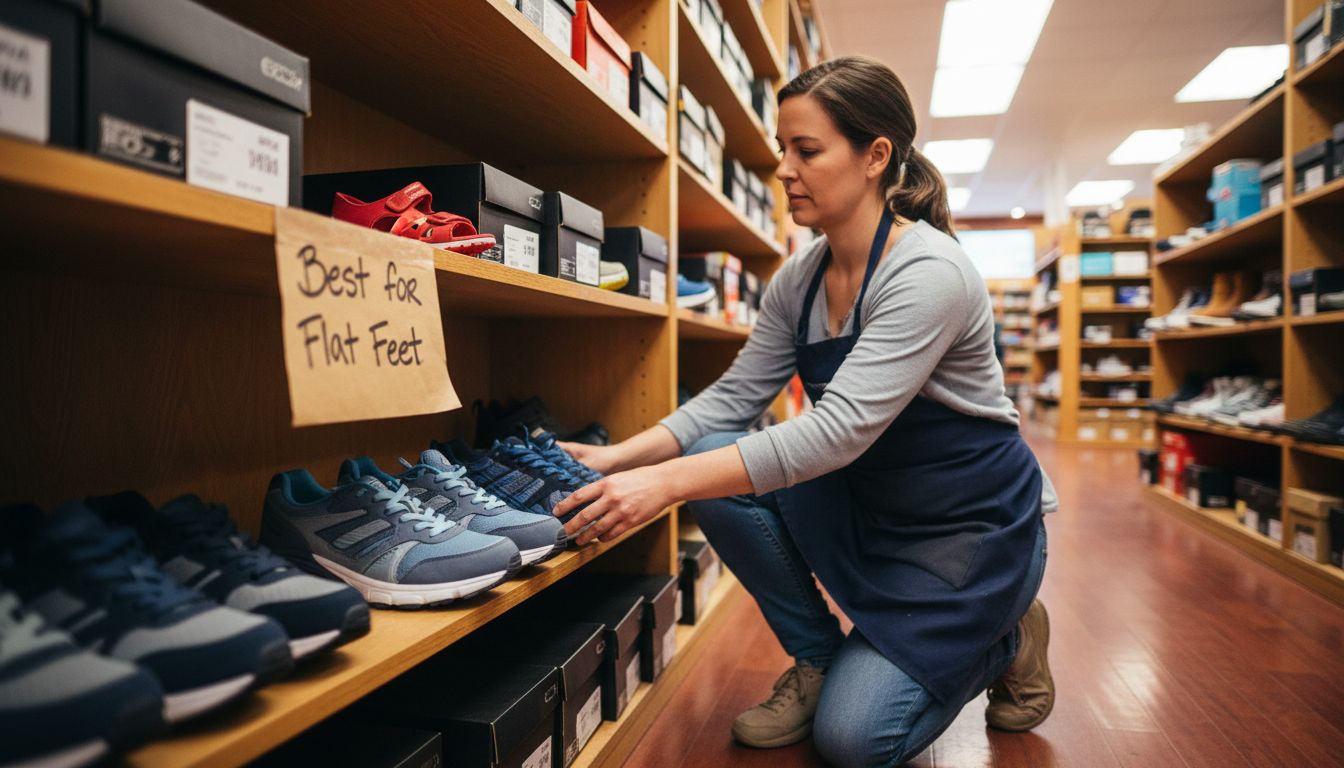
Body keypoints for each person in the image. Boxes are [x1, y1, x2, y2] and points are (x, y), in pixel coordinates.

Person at [553, 55, 1057, 767]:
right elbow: (734, 399)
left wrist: (664, 486)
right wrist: (617, 459)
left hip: (967, 534)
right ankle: (819, 660)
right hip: (875, 504)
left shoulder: (930, 273)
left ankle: (1006, 633)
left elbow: (837, 431)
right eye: (782, 150)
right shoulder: (802, 276)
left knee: (856, 743)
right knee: (715, 463)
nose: (784, 170)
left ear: (876, 156)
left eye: (806, 151)